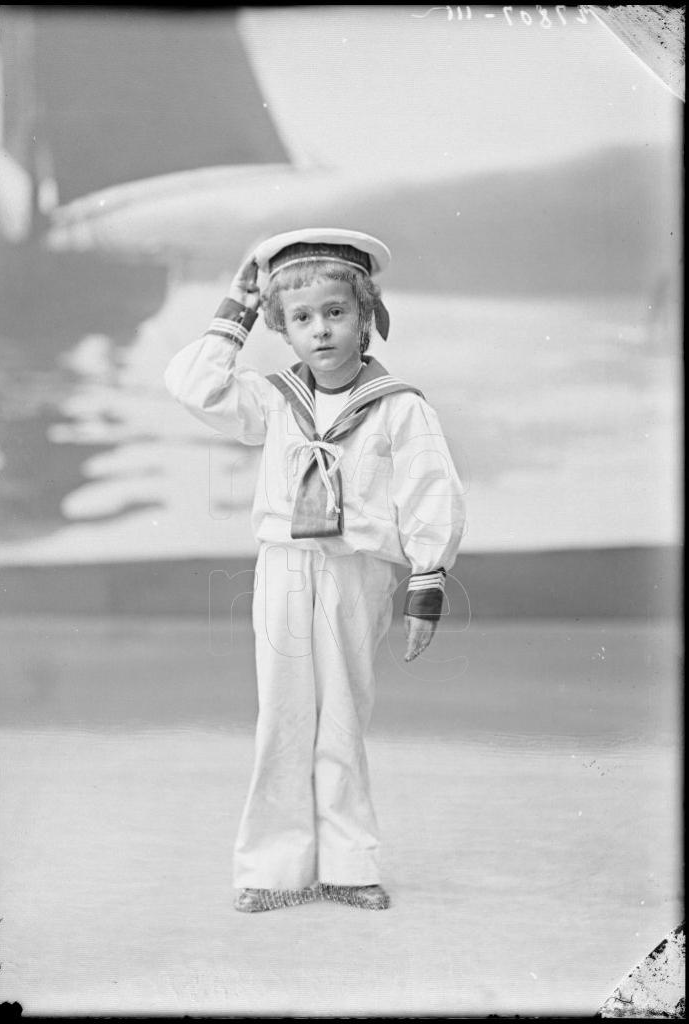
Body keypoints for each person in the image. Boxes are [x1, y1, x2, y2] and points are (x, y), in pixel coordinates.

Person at [164, 228, 466, 913]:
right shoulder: (270, 402)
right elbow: (192, 384)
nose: (320, 330)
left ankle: (348, 862)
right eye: (300, 318)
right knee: (283, 714)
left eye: (336, 312)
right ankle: (273, 870)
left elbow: (431, 490)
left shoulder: (398, 406)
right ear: (282, 329)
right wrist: (237, 306)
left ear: (366, 317)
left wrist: (427, 583)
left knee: (343, 718)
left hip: (355, 574)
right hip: (284, 570)